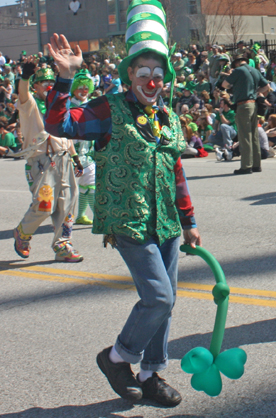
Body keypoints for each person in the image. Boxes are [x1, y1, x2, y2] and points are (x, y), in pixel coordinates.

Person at [44, 0, 201, 406]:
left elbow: (176, 171)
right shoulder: (108, 110)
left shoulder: (168, 117)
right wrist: (65, 78)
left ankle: (151, 376)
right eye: (143, 72)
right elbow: (60, 124)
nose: (152, 80)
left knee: (167, 300)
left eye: (158, 73)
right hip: (128, 220)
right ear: (130, 73)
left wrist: (189, 220)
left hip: (166, 221)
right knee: (159, 297)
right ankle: (116, 358)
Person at [11, 60, 84, 262]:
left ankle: (63, 245)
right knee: (45, 204)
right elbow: (23, 95)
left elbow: (65, 135)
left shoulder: (59, 106)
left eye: (51, 81)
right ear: (35, 86)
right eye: (43, 82)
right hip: (42, 161)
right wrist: (25, 77)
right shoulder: (31, 105)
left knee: (67, 204)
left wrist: (75, 157)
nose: (48, 84)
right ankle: (22, 233)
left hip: (64, 158)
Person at [222, 54, 269, 174]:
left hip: (243, 105)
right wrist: (254, 92)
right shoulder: (255, 70)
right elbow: (266, 86)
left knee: (244, 136)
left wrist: (235, 85)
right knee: (253, 135)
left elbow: (225, 85)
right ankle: (256, 164)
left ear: (237, 62)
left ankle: (246, 166)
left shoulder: (238, 71)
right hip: (253, 103)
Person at [70, 70, 96, 224]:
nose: (83, 90)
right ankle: (77, 216)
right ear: (74, 88)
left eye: (86, 87)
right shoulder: (68, 105)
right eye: (80, 87)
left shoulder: (92, 105)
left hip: (88, 154)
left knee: (91, 187)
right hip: (72, 155)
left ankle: (88, 217)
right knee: (76, 190)